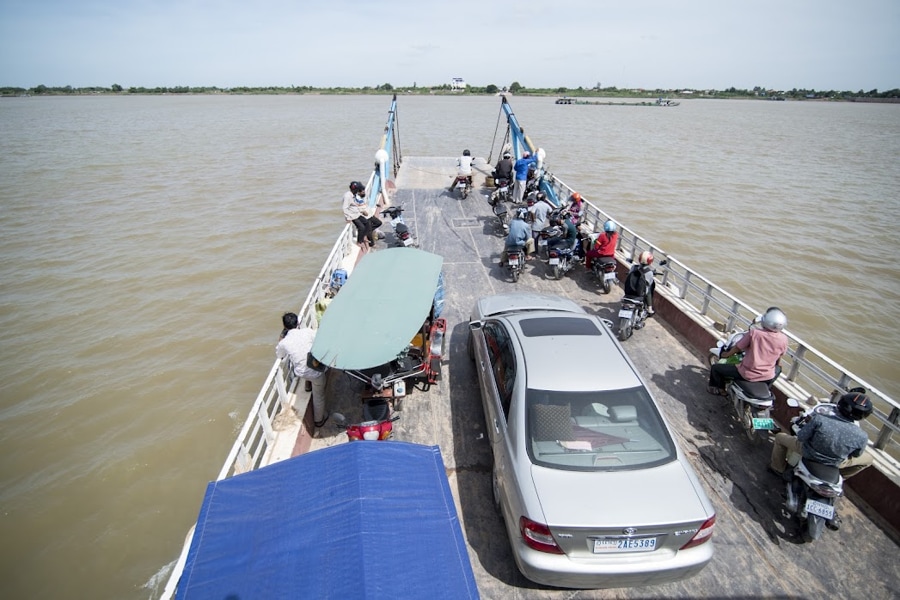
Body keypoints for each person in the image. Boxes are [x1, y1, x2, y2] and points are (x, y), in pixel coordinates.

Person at [769, 390, 874, 529]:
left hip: (808, 454)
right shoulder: (862, 436)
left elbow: (801, 437)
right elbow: (856, 455)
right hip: (836, 463)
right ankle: (842, 476)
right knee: (869, 459)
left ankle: (777, 468)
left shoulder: (820, 419)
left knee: (780, 437)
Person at [708, 306, 789, 395]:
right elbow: (779, 355)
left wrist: (726, 355)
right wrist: (777, 365)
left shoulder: (755, 333)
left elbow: (738, 347)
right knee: (778, 369)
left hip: (747, 373)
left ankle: (720, 390)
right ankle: (767, 388)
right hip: (767, 376)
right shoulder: (784, 338)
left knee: (716, 368)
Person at [276, 312, 329, 427]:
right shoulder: (308, 332)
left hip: (300, 373)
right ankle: (319, 420)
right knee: (318, 395)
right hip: (316, 372)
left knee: (302, 365)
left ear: (284, 326)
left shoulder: (284, 343)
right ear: (298, 323)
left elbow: (280, 355)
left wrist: (281, 338)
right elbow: (320, 340)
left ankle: (308, 386)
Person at [342, 181, 376, 252]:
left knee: (367, 223)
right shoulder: (347, 196)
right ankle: (359, 242)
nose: (358, 191)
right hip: (352, 215)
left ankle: (363, 237)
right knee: (361, 227)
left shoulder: (353, 195)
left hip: (357, 213)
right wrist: (347, 218)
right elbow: (345, 208)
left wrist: (361, 210)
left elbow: (354, 204)